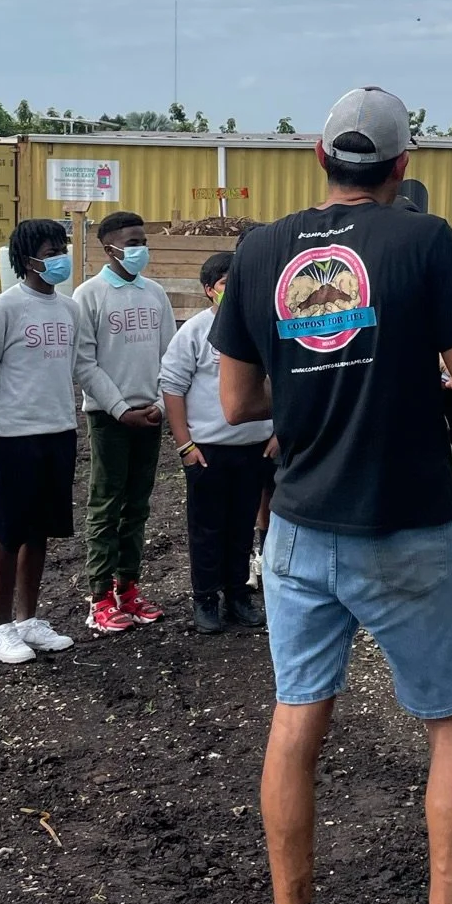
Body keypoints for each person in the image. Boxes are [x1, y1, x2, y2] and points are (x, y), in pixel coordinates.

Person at [213, 86, 452, 904]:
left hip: (301, 525)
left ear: (320, 155)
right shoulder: (424, 242)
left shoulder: (263, 250)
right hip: (406, 525)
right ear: (401, 167)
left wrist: (318, 381)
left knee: (297, 718)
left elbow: (235, 399)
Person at [0, 218, 80, 662]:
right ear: (26, 258)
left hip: (59, 433)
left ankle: (29, 619)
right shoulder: (4, 309)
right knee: (10, 532)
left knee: (42, 531)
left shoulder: (69, 309)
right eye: (50, 252)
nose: (58, 260)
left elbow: (70, 367)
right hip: (13, 436)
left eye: (60, 250)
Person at [71, 210, 176, 634]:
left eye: (143, 240)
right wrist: (119, 408)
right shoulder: (89, 295)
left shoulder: (155, 294)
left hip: (149, 416)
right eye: (131, 242)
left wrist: (159, 406)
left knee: (137, 506)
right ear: (108, 246)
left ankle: (128, 589)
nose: (140, 249)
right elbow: (84, 362)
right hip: (109, 418)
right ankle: (99, 597)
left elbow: (170, 356)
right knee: (105, 505)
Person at [160, 250, 273, 632]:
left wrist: (276, 433)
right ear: (210, 290)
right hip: (208, 451)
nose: (235, 290)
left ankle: (238, 595)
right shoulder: (194, 331)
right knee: (207, 528)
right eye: (226, 284)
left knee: (242, 525)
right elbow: (172, 387)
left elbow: (283, 384)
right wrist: (185, 445)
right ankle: (205, 599)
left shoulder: (264, 326)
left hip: (255, 446)